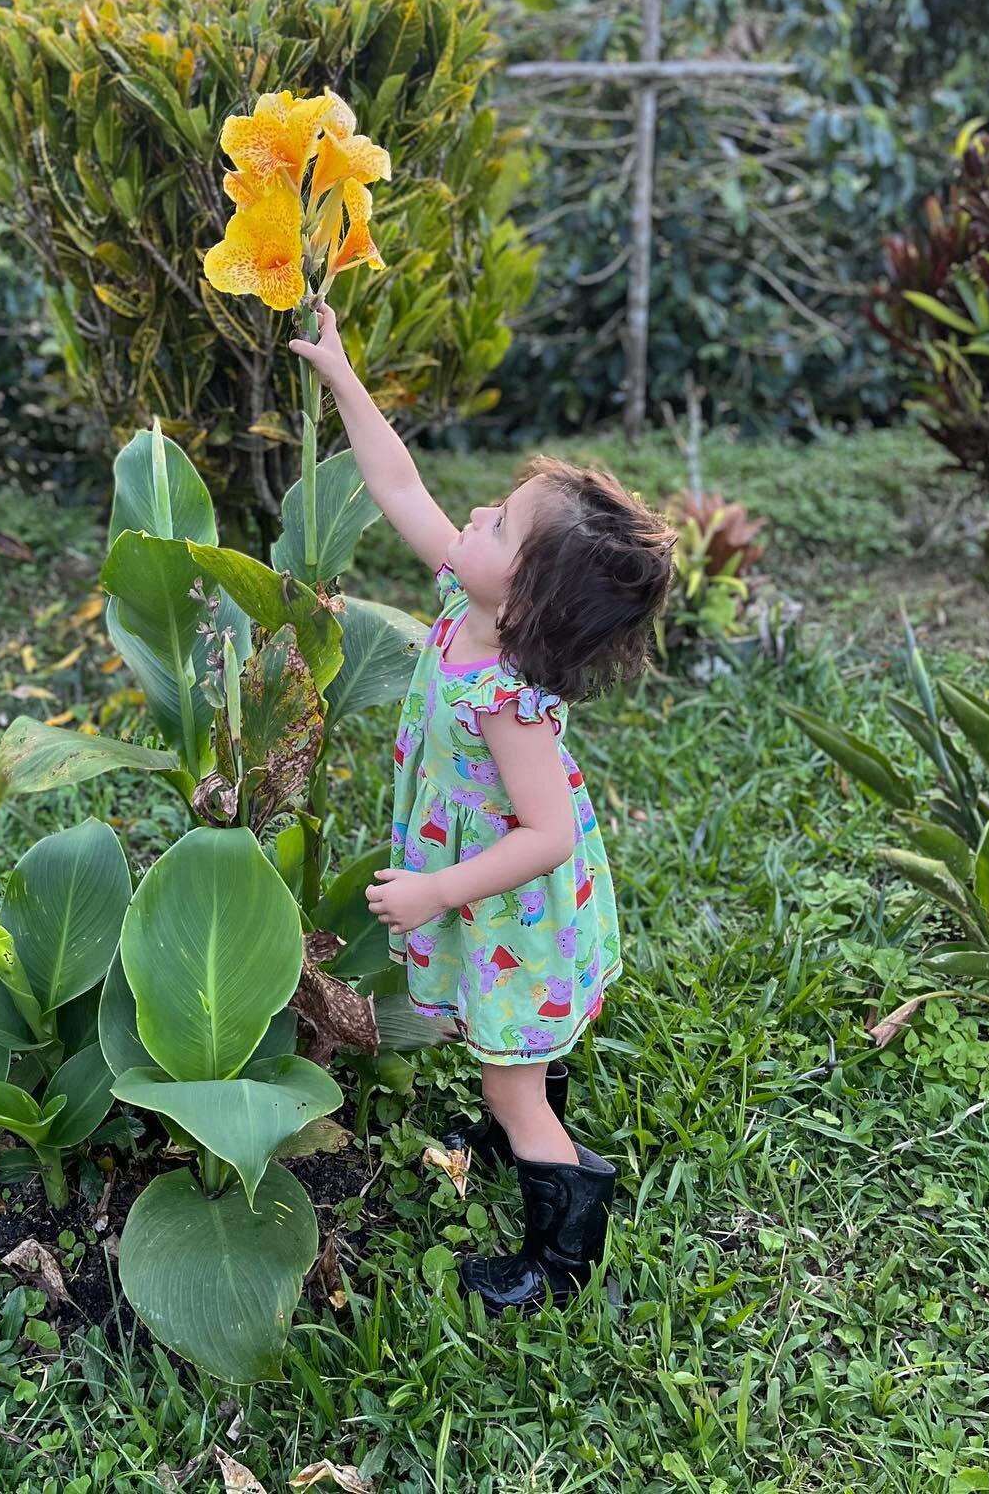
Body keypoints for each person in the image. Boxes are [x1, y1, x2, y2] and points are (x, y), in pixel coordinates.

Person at [290, 299, 675, 1315]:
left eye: (498, 525)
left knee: (509, 1069)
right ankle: (512, 1133)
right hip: (487, 903)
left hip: (509, 908)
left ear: (534, 601)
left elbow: (545, 839)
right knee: (508, 1050)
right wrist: (340, 375)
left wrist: (434, 891)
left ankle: (558, 1251)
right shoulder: (470, 604)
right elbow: (401, 483)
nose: (470, 519)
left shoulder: (510, 702)